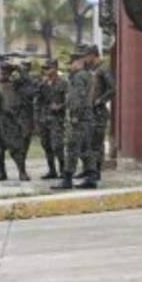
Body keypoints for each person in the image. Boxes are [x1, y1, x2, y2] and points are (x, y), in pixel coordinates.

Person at [53, 51, 97, 190]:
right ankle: (91, 177)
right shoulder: (88, 75)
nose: (70, 66)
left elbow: (77, 99)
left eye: (71, 63)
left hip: (78, 118)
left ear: (78, 62)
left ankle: (67, 179)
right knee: (86, 148)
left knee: (72, 148)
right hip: (87, 116)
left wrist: (74, 116)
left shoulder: (78, 77)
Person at [0, 63, 30, 181]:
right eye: (1, 72)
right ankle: (1, 172)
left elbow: (27, 81)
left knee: (16, 149)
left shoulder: (16, 85)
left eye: (6, 73)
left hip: (12, 121)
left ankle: (22, 171)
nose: (2, 75)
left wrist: (18, 68)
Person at [85, 45, 115, 183]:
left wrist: (100, 100)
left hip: (99, 112)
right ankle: (90, 170)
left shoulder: (103, 69)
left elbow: (113, 88)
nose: (85, 59)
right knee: (89, 142)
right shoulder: (91, 70)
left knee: (97, 143)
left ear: (93, 55)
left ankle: (97, 171)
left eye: (87, 56)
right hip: (89, 112)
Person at [35, 59, 67, 179]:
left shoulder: (63, 83)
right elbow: (37, 101)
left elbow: (69, 100)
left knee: (57, 145)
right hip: (44, 119)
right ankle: (52, 170)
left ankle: (63, 170)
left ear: (55, 68)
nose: (46, 71)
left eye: (48, 68)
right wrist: (37, 119)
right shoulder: (42, 84)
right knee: (46, 145)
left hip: (56, 119)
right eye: (45, 69)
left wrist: (60, 106)